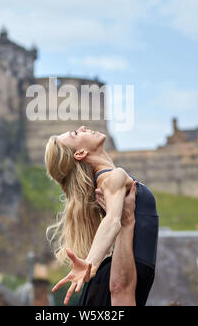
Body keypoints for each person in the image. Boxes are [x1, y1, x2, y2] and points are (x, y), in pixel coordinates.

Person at [45, 126, 159, 306]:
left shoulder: (105, 180)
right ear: (81, 153)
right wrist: (91, 263)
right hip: (122, 276)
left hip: (126, 271)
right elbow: (112, 221)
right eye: (76, 133)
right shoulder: (113, 177)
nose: (82, 128)